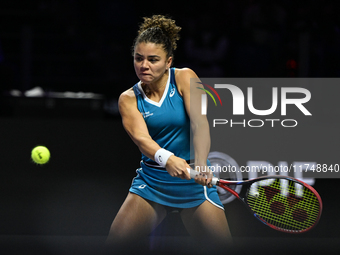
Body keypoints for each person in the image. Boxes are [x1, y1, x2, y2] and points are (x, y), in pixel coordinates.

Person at [105, 15, 232, 253]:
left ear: (168, 61)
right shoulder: (128, 99)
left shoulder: (185, 77)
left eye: (153, 60)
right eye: (139, 58)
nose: (144, 65)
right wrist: (167, 158)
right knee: (113, 246)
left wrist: (202, 163)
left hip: (194, 183)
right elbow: (142, 140)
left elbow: (200, 123)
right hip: (153, 183)